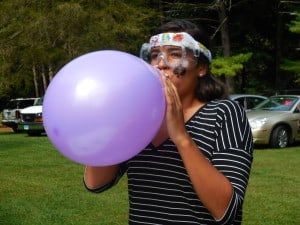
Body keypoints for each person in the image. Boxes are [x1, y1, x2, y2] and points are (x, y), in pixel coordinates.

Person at [84, 19, 253, 225]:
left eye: (174, 54)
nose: (161, 63)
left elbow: (226, 211)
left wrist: (181, 137)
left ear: (201, 67)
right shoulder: (140, 118)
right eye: (154, 55)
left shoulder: (225, 113)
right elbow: (95, 183)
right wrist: (114, 123)